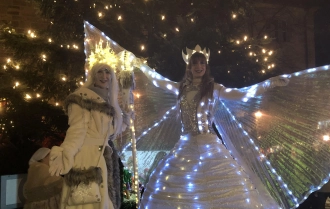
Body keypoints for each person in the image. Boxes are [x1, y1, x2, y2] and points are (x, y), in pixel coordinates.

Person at [138, 51, 288, 208]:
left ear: (206, 66)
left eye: (202, 63)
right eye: (195, 63)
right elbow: (158, 81)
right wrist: (138, 64)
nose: (199, 66)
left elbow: (242, 94)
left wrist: (269, 83)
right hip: (185, 145)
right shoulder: (181, 88)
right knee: (177, 187)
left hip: (208, 145)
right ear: (189, 66)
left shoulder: (214, 89)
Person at [48, 63, 123, 209]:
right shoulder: (82, 97)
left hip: (102, 157)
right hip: (86, 158)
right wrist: (66, 153)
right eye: (100, 72)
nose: (104, 76)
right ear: (93, 75)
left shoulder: (109, 101)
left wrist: (124, 119)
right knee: (86, 202)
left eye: (107, 72)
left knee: (103, 199)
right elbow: (77, 130)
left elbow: (108, 132)